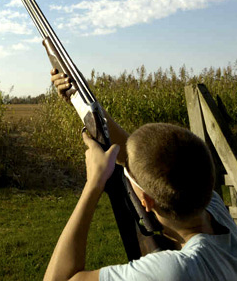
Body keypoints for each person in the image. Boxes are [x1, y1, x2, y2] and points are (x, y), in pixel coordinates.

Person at [43, 69, 237, 281]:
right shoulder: (213, 206)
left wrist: (94, 184)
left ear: (146, 201)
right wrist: (81, 100)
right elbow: (142, 157)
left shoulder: (176, 270)